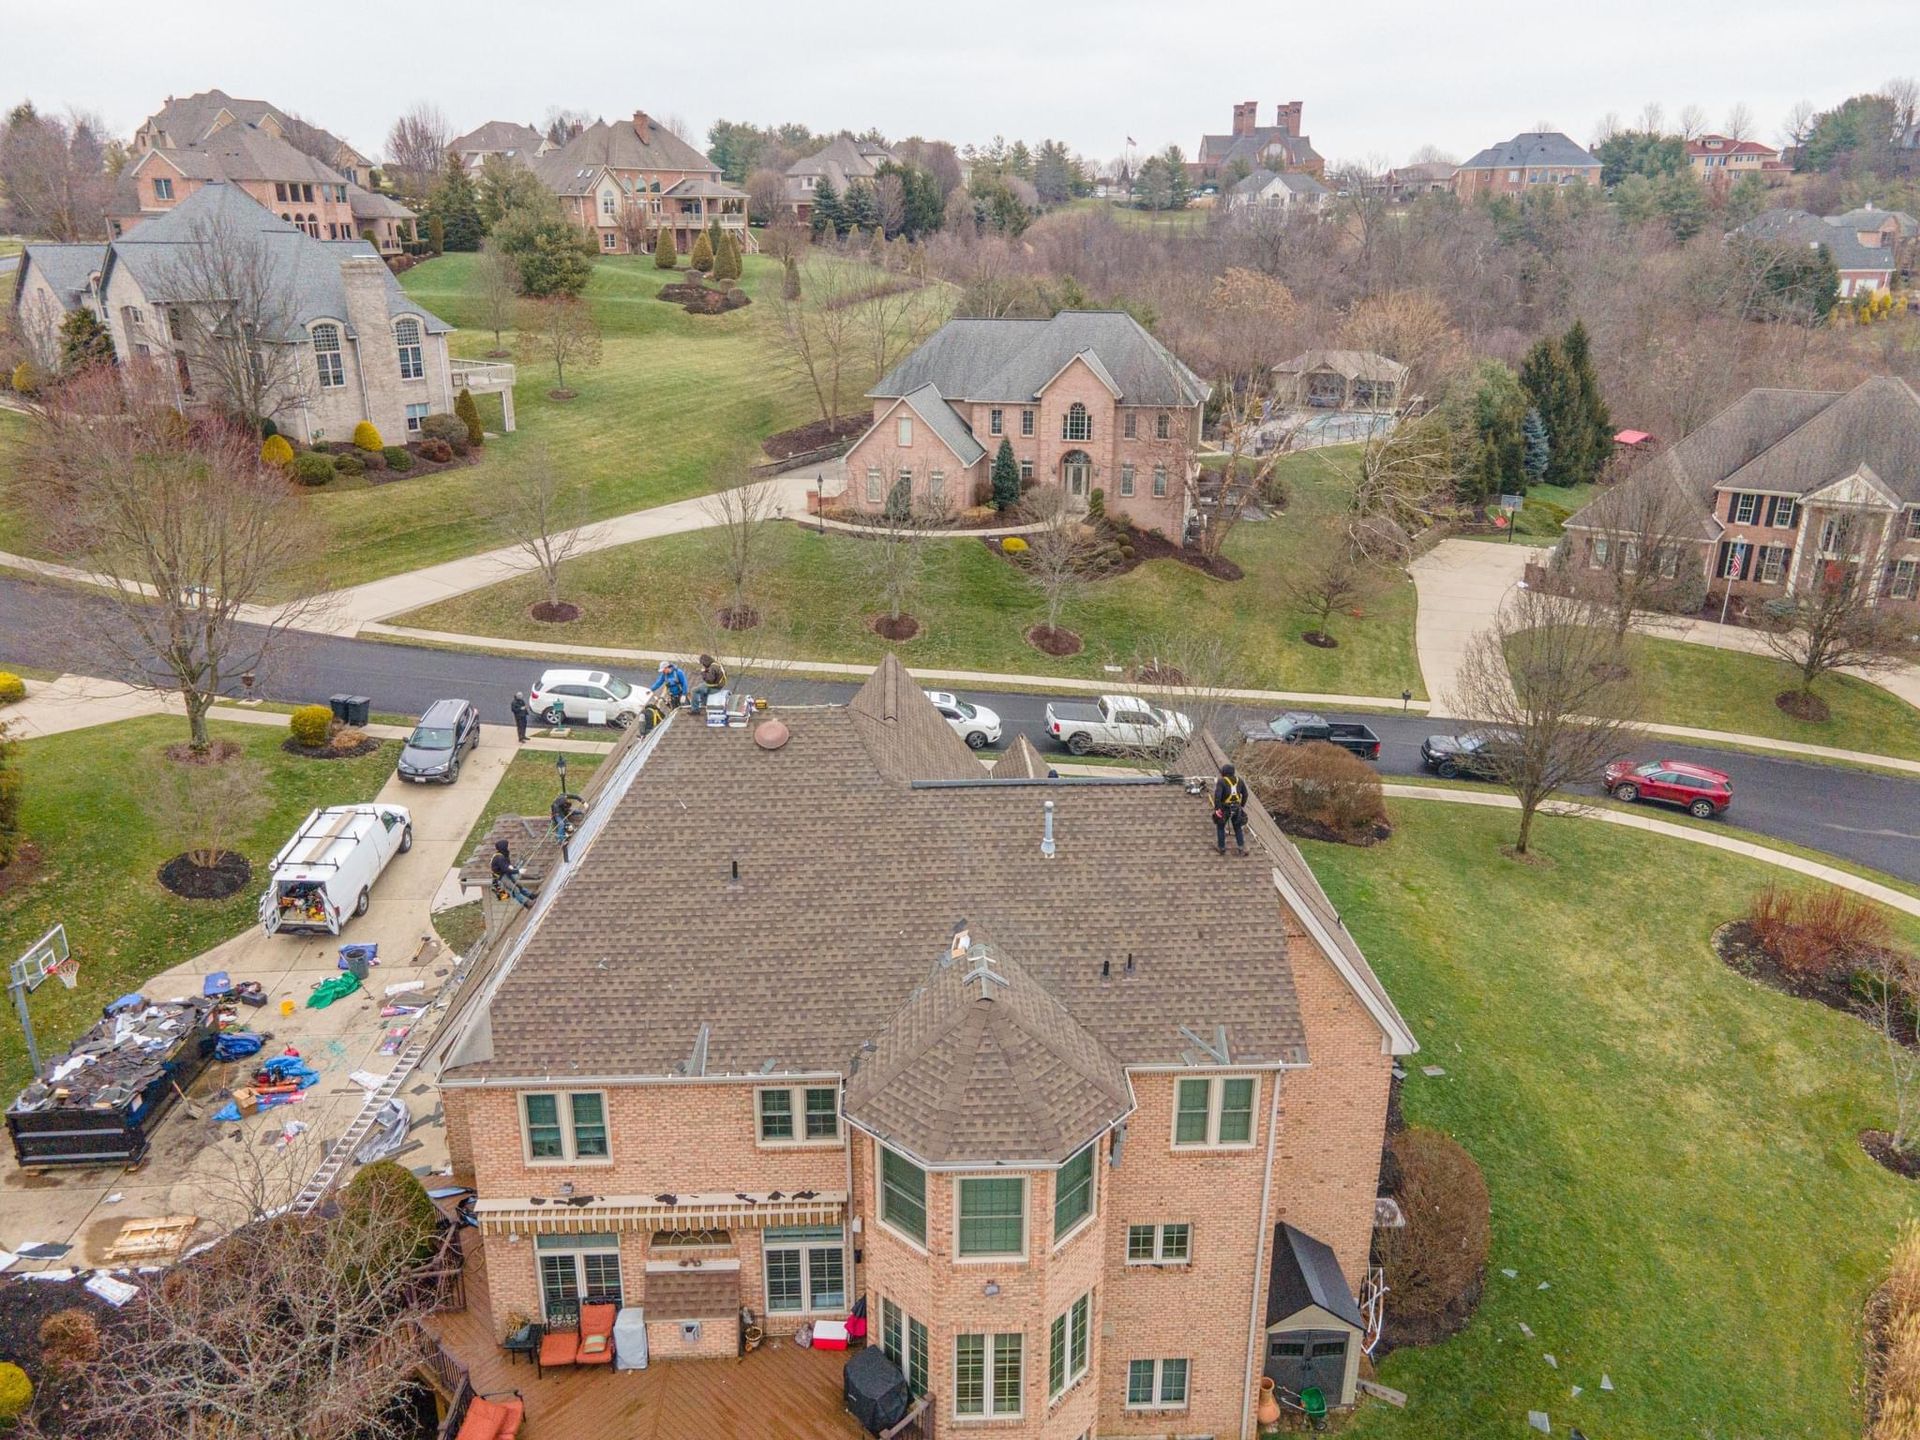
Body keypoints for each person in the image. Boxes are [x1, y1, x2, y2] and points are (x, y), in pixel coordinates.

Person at [1213, 762, 1249, 856]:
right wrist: (1242, 805)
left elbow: (1217, 796)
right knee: (1237, 827)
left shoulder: (1221, 781)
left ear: (1224, 772)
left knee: (1220, 827)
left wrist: (1217, 809)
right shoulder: (1239, 780)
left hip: (1225, 808)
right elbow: (1245, 794)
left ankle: (1222, 848)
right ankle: (1241, 848)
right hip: (1237, 808)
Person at [490, 839, 534, 908]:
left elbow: (507, 865)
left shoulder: (503, 853)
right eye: (508, 845)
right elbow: (506, 870)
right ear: (503, 847)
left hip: (505, 873)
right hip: (501, 877)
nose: (509, 846)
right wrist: (518, 871)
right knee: (515, 889)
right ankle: (527, 903)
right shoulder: (499, 858)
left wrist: (513, 867)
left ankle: (531, 896)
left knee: (518, 885)